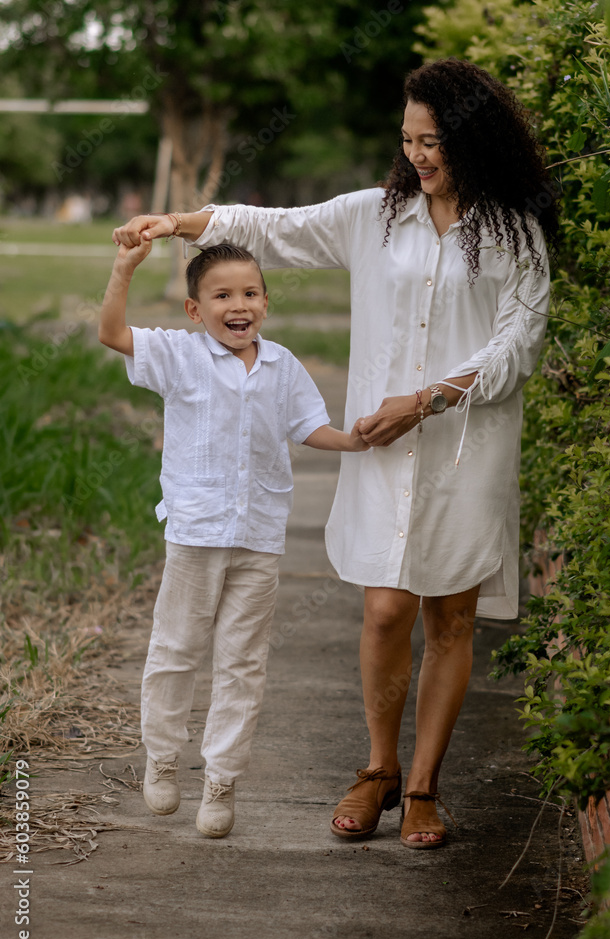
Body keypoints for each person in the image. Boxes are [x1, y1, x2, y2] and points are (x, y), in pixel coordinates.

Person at [113, 57, 559, 849]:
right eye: (407, 140)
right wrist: (177, 223)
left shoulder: (514, 233)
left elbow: (518, 342)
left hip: (466, 446)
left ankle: (422, 786)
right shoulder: (374, 217)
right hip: (380, 446)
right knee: (385, 610)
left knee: (450, 618)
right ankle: (378, 767)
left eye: (431, 141)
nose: (416, 155)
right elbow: (274, 228)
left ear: (472, 139)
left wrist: (428, 399)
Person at [98, 239, 368, 838]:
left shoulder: (282, 365)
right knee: (177, 649)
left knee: (243, 663)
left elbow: (309, 427)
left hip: (259, 534)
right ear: (195, 310)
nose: (238, 305)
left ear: (266, 303)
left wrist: (355, 440)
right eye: (221, 295)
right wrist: (124, 268)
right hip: (196, 530)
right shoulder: (179, 355)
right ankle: (163, 757)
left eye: (249, 293)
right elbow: (112, 333)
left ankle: (221, 779)